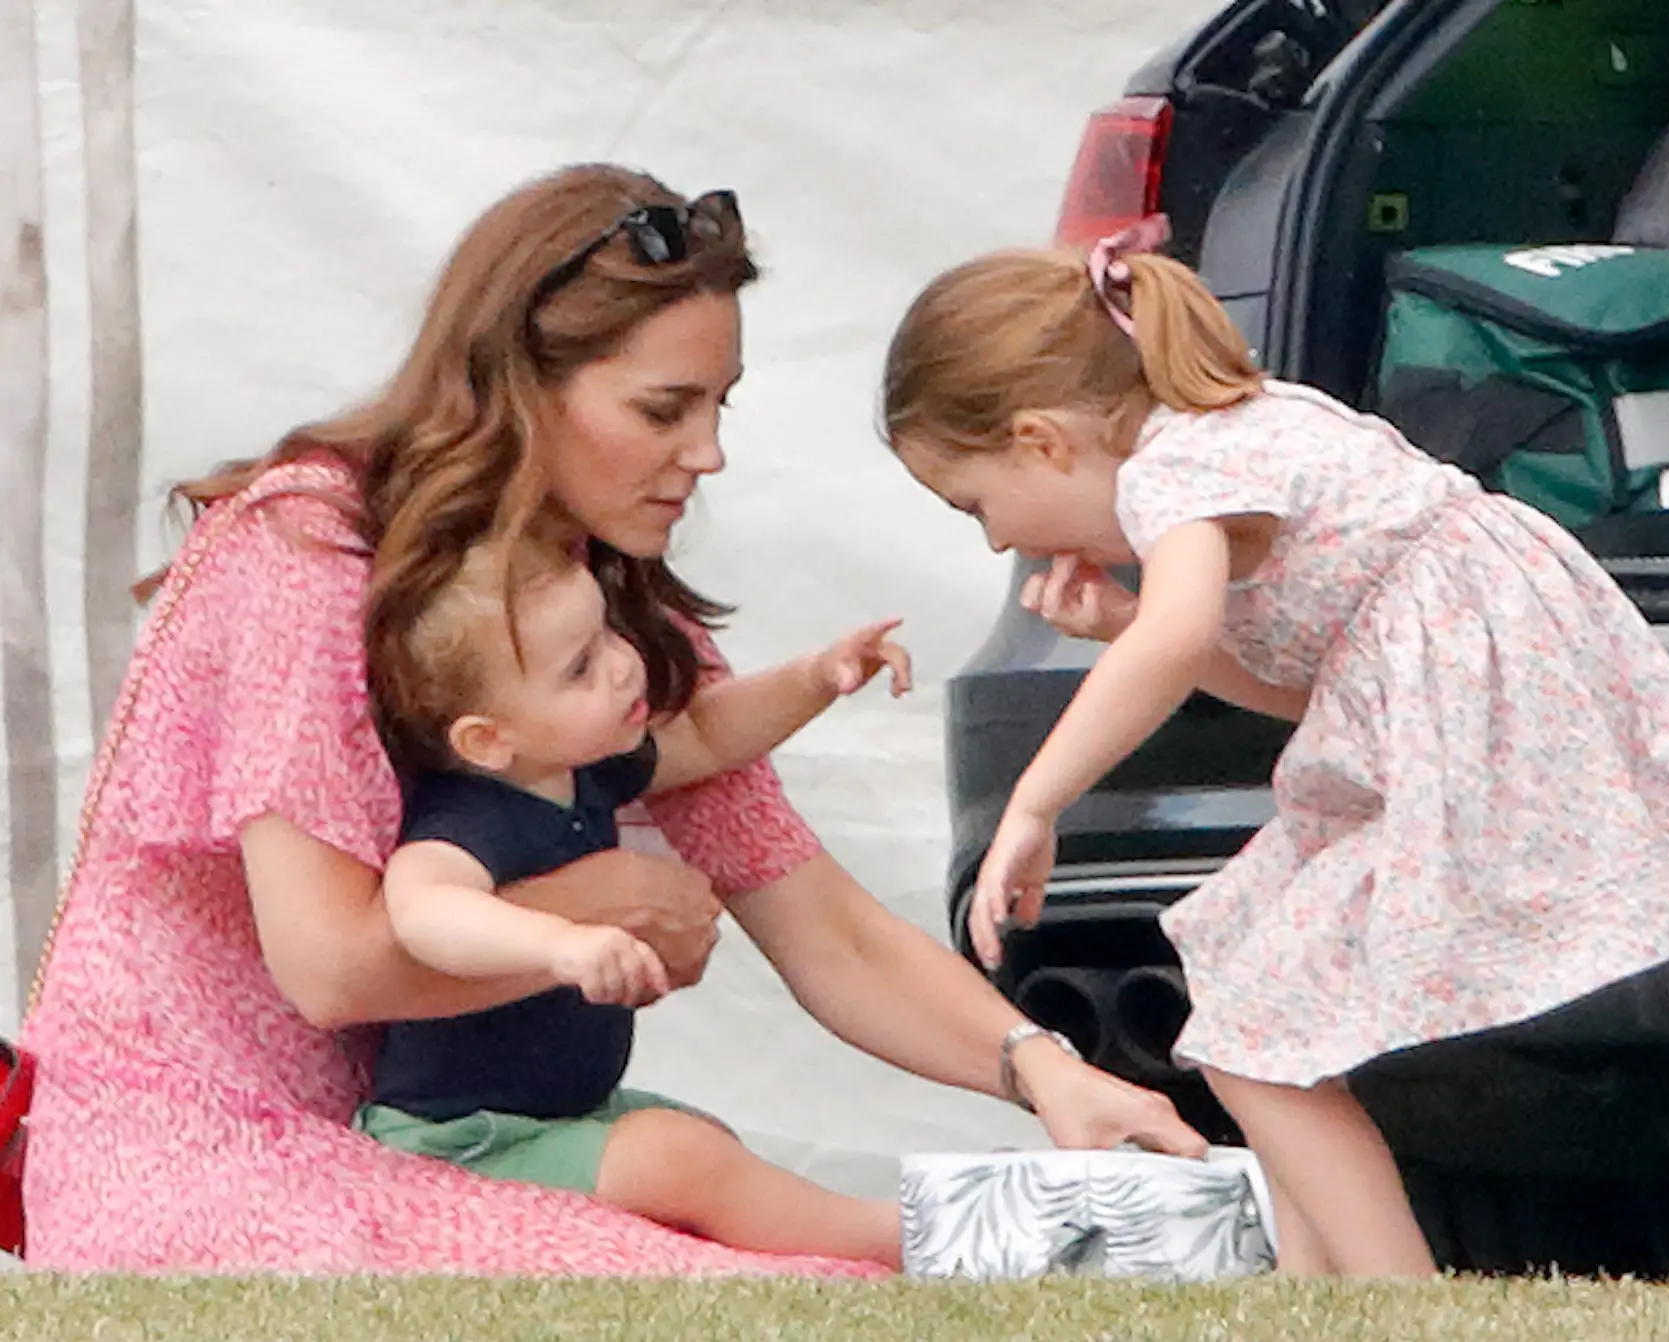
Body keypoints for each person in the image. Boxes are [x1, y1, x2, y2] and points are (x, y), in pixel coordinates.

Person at [16, 166, 1204, 1275]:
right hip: (198, 1155)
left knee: (784, 1248)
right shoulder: (310, 549)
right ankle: (1052, 1247)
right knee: (767, 1286)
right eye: (664, 408)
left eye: (720, 403)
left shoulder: (599, 615)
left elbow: (824, 930)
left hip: (421, 1153)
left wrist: (1045, 1071)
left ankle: (1107, 1239)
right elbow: (329, 967)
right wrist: (588, 908)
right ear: (517, 385)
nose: (710, 452)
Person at [877, 214, 1669, 1276]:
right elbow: (1283, 684)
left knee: (1255, 1029)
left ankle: (1385, 1292)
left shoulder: (1172, 467)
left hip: (1479, 725)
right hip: (1452, 710)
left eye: (976, 503)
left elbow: (1176, 644)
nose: (997, 539)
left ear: (1039, 439)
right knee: (1244, 998)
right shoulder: (1233, 428)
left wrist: (1036, 803)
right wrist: (1120, 629)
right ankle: (1313, 1287)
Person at [359, 528, 912, 1266]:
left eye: (608, 635)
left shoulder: (582, 770)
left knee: (703, 1145)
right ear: (488, 739)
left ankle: (826, 1247)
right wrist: (560, 941)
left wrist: (818, 674)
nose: (623, 668)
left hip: (562, 1114)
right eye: (580, 668)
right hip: (460, 1142)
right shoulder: (467, 816)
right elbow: (422, 910)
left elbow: (713, 735)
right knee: (680, 1157)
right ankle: (906, 1239)